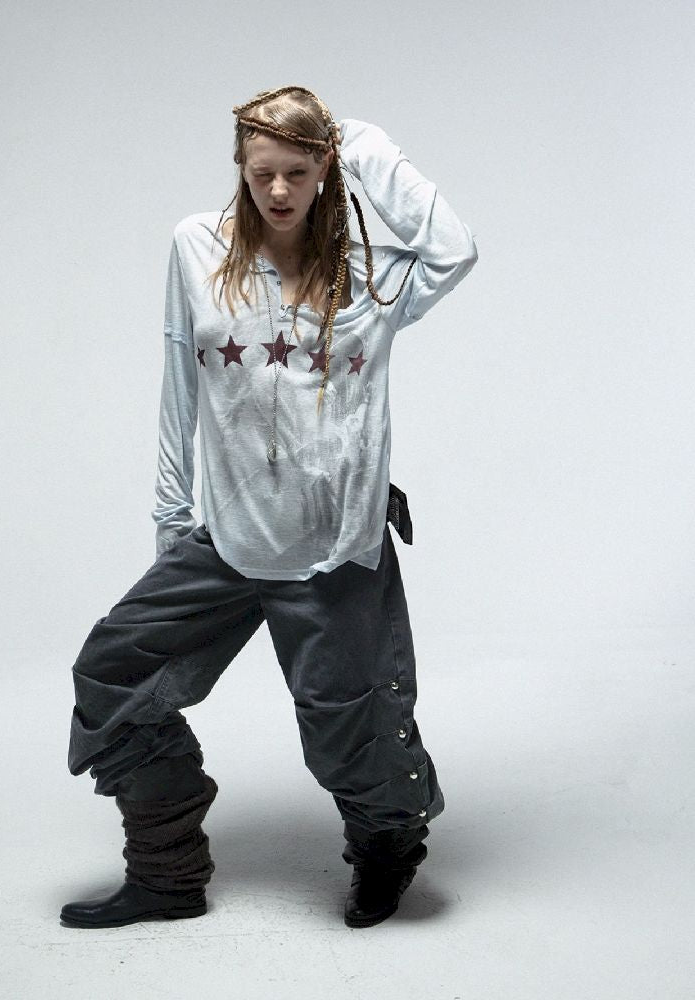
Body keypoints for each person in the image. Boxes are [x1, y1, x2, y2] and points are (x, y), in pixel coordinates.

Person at [60, 85, 478, 931]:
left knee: (347, 729)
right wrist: (172, 521)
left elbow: (454, 250)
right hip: (228, 534)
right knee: (114, 672)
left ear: (325, 169)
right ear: (240, 170)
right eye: (262, 173)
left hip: (332, 543)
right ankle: (168, 874)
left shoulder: (368, 275)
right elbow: (179, 383)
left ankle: (387, 844)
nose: (279, 190)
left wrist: (359, 143)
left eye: (297, 170)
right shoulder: (198, 246)